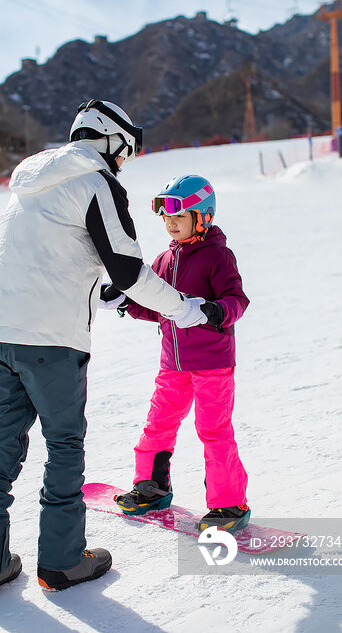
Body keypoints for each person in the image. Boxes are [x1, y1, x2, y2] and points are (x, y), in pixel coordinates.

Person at [0, 100, 213, 596]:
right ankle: (62, 562)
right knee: (64, 446)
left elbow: (58, 257)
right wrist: (183, 308)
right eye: (125, 151)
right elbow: (128, 269)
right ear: (111, 140)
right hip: (51, 343)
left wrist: (102, 287)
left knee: (1, 443)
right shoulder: (98, 182)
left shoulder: (30, 185)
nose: (124, 162)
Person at [111, 174, 251, 533]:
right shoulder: (163, 260)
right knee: (158, 423)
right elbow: (154, 308)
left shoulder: (218, 256)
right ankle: (152, 487)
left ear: (203, 216)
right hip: (172, 364)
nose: (170, 222)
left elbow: (236, 301)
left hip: (212, 365)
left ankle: (228, 504)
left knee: (213, 430)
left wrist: (211, 311)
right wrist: (124, 300)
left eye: (179, 214)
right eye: (166, 215)